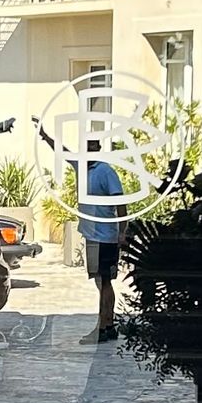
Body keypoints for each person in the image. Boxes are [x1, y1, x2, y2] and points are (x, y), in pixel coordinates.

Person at [78, 138, 125, 346]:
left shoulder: (105, 171)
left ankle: (103, 328)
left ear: (98, 149)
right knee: (101, 281)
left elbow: (120, 201)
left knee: (105, 280)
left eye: (93, 146)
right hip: (92, 236)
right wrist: (45, 136)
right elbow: (62, 151)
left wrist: (123, 231)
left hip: (105, 236)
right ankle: (109, 324)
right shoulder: (83, 169)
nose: (89, 150)